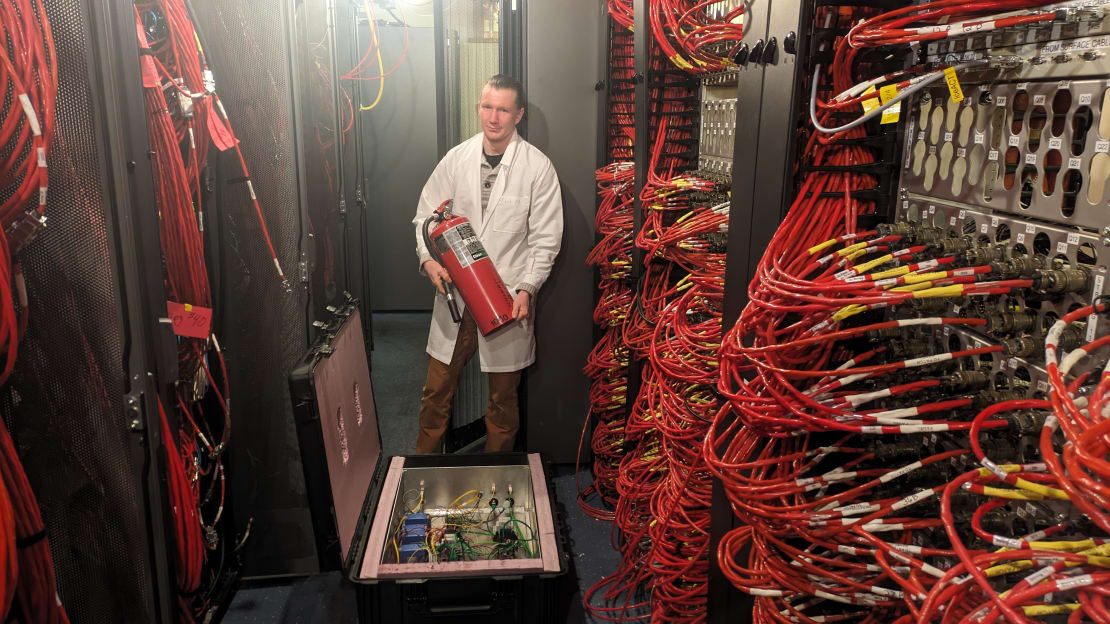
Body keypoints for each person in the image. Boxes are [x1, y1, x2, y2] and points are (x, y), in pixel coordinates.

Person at [411, 74, 563, 454]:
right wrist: (428, 260)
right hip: (455, 299)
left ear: (518, 115)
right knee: (435, 394)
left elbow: (546, 239)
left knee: (502, 402)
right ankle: (424, 470)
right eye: (487, 107)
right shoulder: (456, 159)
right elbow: (424, 217)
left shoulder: (537, 168)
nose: (493, 118)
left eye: (503, 110)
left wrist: (528, 287)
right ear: (480, 107)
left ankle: (497, 473)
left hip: (505, 299)